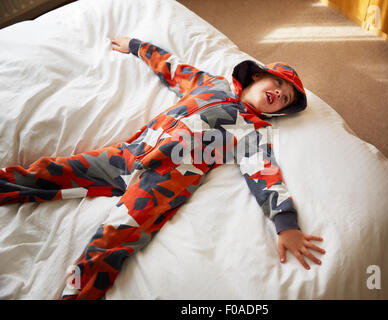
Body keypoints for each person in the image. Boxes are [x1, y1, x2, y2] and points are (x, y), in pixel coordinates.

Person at [0, 36, 325, 300]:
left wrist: (286, 223)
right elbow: (173, 68)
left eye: (285, 99)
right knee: (52, 172)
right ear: (257, 76)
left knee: (111, 244)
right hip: (127, 157)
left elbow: (264, 173)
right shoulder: (210, 85)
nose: (279, 95)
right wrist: (137, 47)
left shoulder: (252, 132)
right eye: (279, 85)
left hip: (160, 187)